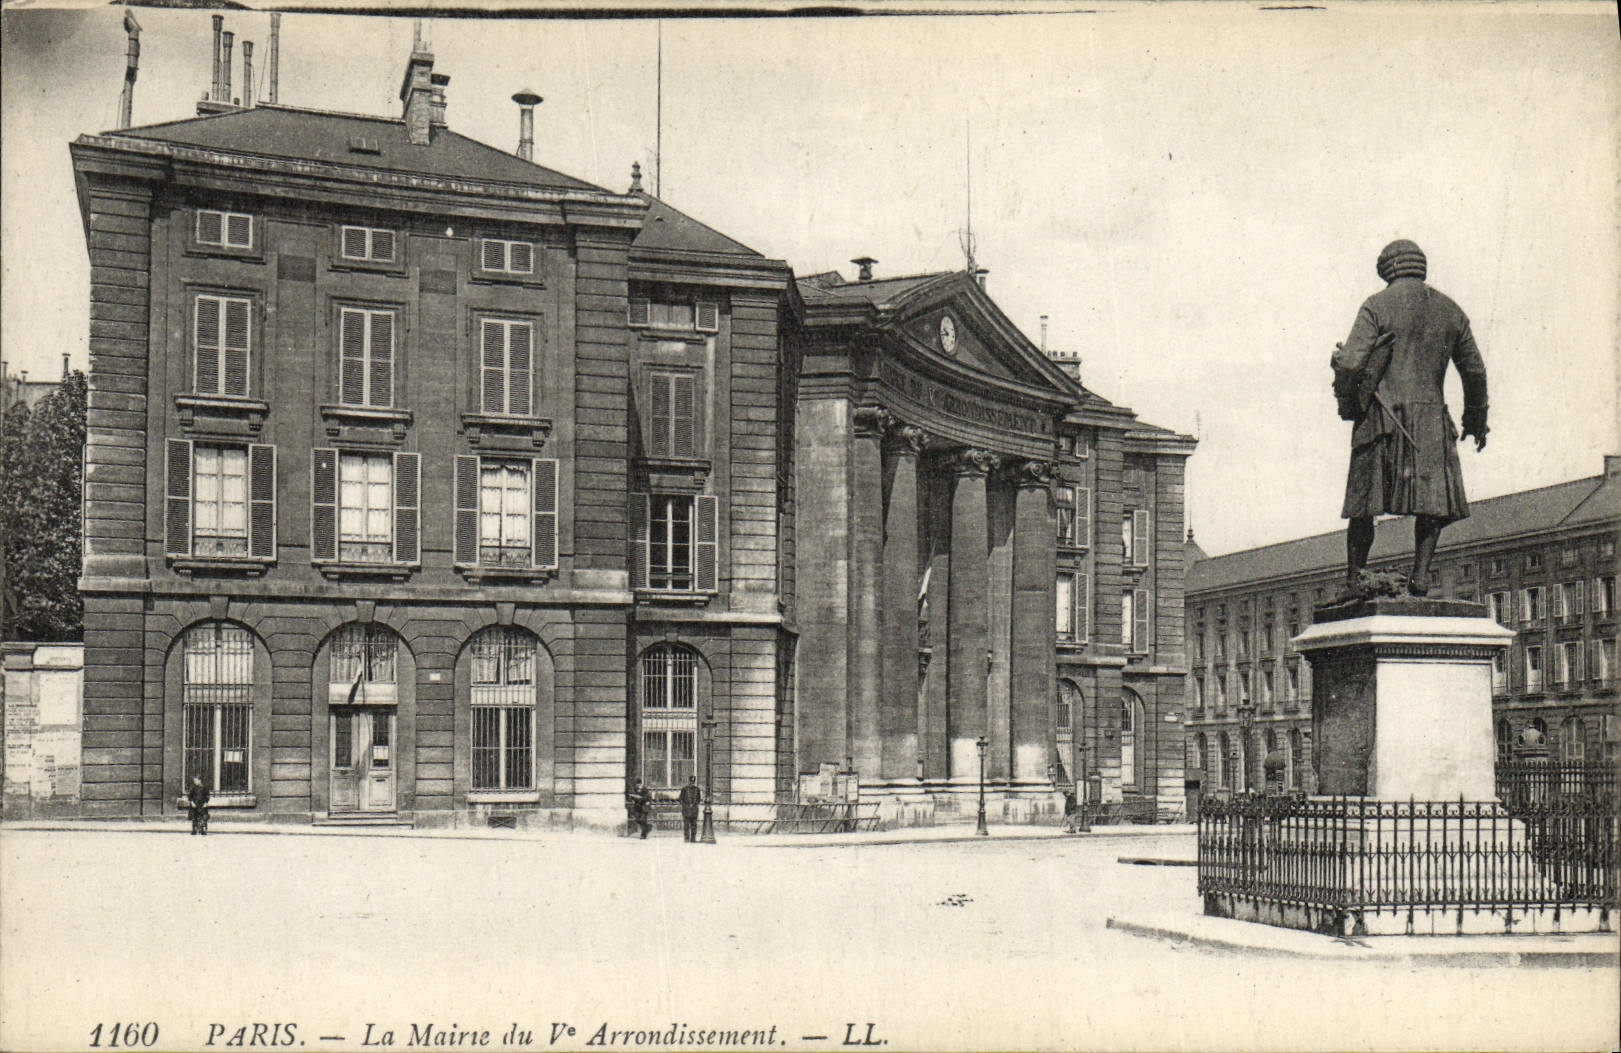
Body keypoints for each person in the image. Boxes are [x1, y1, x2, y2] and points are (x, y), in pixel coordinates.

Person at [1331, 239, 1489, 598]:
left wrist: (1340, 365)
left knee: (1363, 505)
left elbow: (1352, 363)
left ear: (1388, 268)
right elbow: (1475, 371)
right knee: (1431, 504)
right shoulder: (1451, 310)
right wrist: (1475, 419)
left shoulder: (1376, 305)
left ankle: (1355, 577)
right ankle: (1420, 576)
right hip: (1432, 422)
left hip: (1381, 419)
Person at [678, 775, 702, 843]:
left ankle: (693, 838)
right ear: (689, 781)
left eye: (693, 782)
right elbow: (681, 799)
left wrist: (694, 805)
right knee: (686, 825)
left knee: (694, 825)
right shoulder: (684, 789)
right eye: (691, 781)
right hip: (686, 810)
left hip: (694, 810)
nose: (692, 783)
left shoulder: (697, 789)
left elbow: (698, 799)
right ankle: (686, 838)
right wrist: (685, 806)